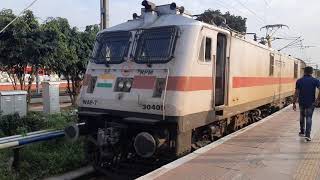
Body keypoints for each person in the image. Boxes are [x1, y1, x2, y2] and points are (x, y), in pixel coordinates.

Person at [293, 66, 320, 141]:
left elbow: (296, 92)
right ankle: (308, 135)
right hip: (311, 102)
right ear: (312, 72)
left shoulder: (299, 81)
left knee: (302, 116)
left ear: (304, 72)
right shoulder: (315, 80)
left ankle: (302, 131)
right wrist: (317, 100)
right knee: (309, 117)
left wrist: (294, 102)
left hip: (301, 102)